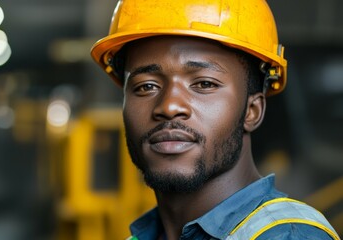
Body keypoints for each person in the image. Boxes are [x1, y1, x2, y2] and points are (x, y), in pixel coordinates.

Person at [91, 0, 340, 239]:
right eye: (146, 86)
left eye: (204, 84)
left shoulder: (287, 237)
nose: (168, 107)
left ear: (252, 111)